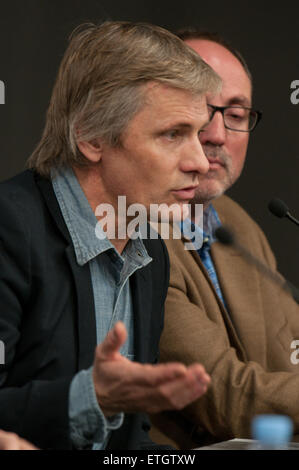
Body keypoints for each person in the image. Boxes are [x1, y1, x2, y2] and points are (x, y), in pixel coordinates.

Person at [0, 22, 221, 450]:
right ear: (91, 137)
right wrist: (91, 397)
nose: (200, 161)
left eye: (199, 134)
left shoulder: (150, 250)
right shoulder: (9, 229)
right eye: (173, 134)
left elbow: (128, 443)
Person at [150, 30, 299, 449]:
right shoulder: (132, 226)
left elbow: (289, 347)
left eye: (235, 115)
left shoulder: (236, 222)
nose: (217, 134)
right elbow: (223, 396)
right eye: (199, 109)